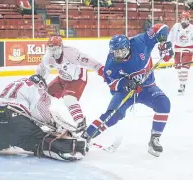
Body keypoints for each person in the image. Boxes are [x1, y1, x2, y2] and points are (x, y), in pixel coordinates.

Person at [82, 24, 174, 157]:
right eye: (115, 51)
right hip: (126, 92)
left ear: (128, 47)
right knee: (112, 116)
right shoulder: (111, 63)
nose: (118, 54)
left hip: (147, 87)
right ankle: (86, 135)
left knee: (164, 104)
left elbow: (161, 27)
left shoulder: (141, 42)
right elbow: (112, 83)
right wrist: (125, 84)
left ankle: (155, 138)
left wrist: (163, 43)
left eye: (121, 51)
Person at [0, 74, 86, 161]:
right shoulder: (39, 88)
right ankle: (73, 147)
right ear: (41, 83)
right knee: (41, 141)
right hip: (16, 123)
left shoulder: (15, 83)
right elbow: (40, 114)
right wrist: (53, 124)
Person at [36, 36, 104, 132]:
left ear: (61, 47)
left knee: (68, 99)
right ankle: (41, 117)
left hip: (78, 77)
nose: (52, 52)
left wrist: (100, 69)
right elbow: (42, 70)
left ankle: (80, 122)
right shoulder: (47, 57)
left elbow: (88, 61)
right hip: (62, 78)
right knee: (44, 95)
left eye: (54, 49)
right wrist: (37, 80)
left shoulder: (71, 53)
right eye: (50, 49)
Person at [167, 11, 193, 94]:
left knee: (184, 67)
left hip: (188, 49)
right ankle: (182, 82)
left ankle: (182, 84)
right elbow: (170, 37)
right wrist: (168, 46)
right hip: (177, 48)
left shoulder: (192, 28)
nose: (184, 21)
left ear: (188, 19)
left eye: (185, 19)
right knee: (178, 67)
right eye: (182, 19)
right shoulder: (176, 26)